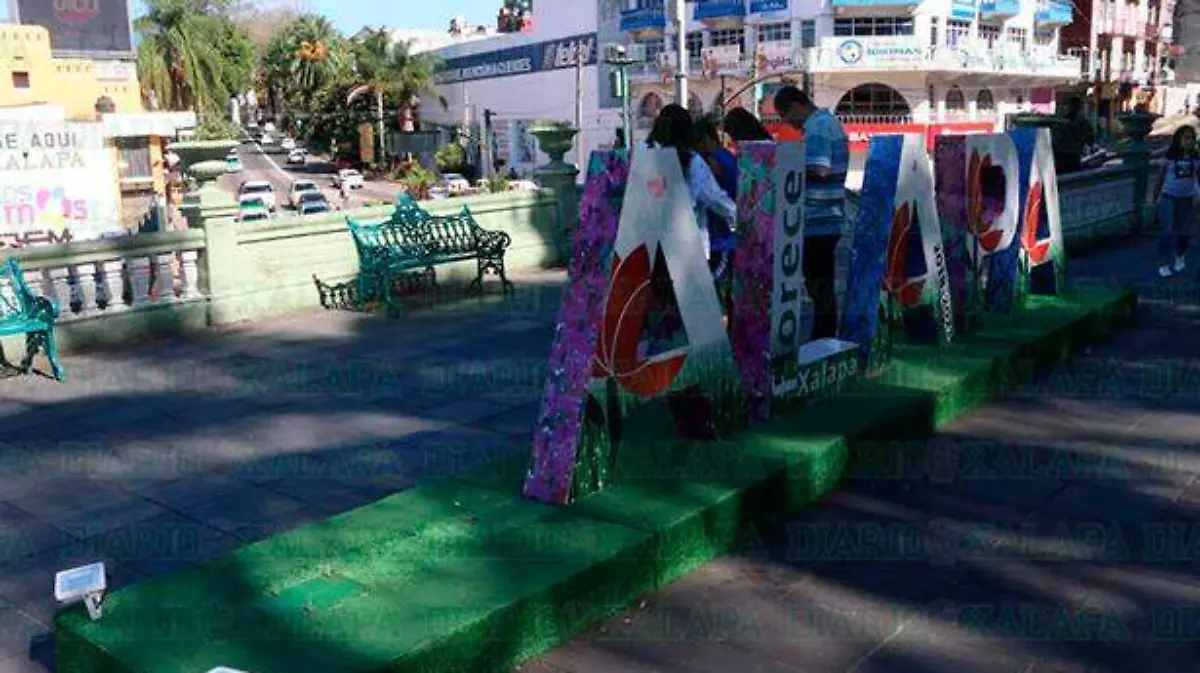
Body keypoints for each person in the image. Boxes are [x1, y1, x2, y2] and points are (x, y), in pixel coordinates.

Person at [773, 85, 849, 341]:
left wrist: (785, 170)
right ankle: (823, 336)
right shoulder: (826, 124)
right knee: (820, 284)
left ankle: (823, 338)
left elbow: (819, 168)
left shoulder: (818, 127)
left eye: (785, 115)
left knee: (819, 285)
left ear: (796, 105)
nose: (787, 122)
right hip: (826, 216)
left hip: (819, 217)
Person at [646, 104, 738, 274]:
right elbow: (714, 198)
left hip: (650, 246)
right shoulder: (691, 161)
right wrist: (739, 219)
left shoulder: (643, 157)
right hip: (686, 248)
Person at [1154, 125, 1199, 278]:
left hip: (1187, 199)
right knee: (1168, 231)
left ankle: (1180, 255)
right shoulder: (1169, 157)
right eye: (1185, 137)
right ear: (1178, 139)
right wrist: (1154, 198)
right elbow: (1159, 179)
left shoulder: (1196, 158)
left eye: (1191, 138)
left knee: (1184, 232)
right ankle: (1163, 263)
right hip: (1169, 196)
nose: (1189, 141)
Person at [1053, 97, 1095, 175]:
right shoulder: (1083, 121)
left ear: (1072, 107)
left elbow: (1056, 140)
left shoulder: (1061, 122)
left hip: (1065, 156)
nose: (1064, 107)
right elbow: (1090, 139)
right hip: (1071, 156)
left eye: (1066, 105)